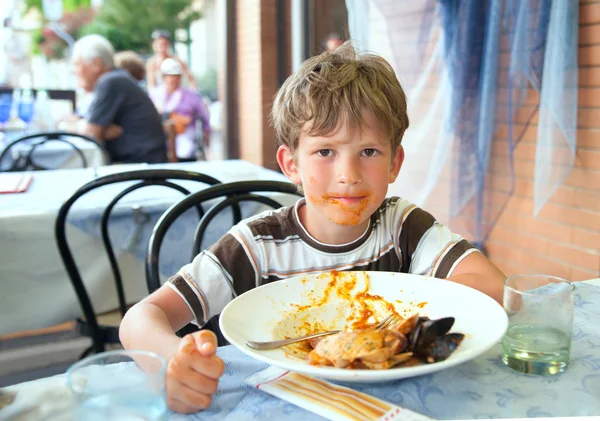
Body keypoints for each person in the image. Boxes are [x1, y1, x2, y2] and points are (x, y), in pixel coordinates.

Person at [119, 42, 506, 414]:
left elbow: (487, 282)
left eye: (368, 151)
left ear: (394, 163)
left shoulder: (402, 227)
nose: (348, 176)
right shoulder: (257, 245)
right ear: (291, 165)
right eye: (325, 152)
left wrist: (408, 321)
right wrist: (172, 363)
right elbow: (142, 317)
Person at [70, 34, 167, 164]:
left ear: (97, 64)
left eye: (77, 64)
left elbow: (90, 137)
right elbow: (89, 127)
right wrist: (100, 130)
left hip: (139, 171)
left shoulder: (111, 81)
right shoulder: (115, 79)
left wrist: (77, 127)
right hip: (137, 168)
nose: (74, 71)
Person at [150, 58, 211, 161]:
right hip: (161, 143)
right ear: (164, 77)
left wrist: (206, 135)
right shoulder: (155, 96)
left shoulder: (191, 96)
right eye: (169, 76)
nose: (173, 79)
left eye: (176, 76)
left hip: (186, 143)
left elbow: (204, 118)